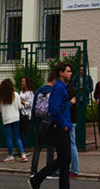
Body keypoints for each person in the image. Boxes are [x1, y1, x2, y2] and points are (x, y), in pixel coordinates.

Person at [28, 60, 73, 189]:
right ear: (61, 73)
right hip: (60, 128)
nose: (71, 74)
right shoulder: (59, 88)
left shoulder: (60, 87)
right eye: (68, 71)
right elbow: (54, 108)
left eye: (70, 71)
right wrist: (63, 124)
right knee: (64, 159)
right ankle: (37, 179)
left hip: (63, 126)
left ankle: (61, 186)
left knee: (65, 161)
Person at [28, 73, 56, 177]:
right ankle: (49, 171)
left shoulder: (39, 90)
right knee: (50, 147)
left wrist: (34, 123)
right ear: (54, 80)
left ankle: (33, 171)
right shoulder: (53, 91)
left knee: (37, 147)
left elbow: (34, 106)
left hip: (39, 122)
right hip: (49, 122)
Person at [0, 76, 26, 162]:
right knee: (17, 137)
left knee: (9, 138)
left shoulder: (1, 97)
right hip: (16, 118)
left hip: (6, 119)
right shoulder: (16, 95)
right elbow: (20, 107)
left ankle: (11, 155)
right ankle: (23, 155)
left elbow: (0, 109)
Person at [17, 76, 34, 146]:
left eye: (23, 81)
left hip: (26, 115)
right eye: (22, 81)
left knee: (23, 133)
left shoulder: (30, 93)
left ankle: (25, 149)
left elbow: (30, 104)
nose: (22, 83)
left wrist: (22, 101)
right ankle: (22, 149)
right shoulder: (21, 92)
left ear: (27, 83)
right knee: (20, 132)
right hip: (20, 114)